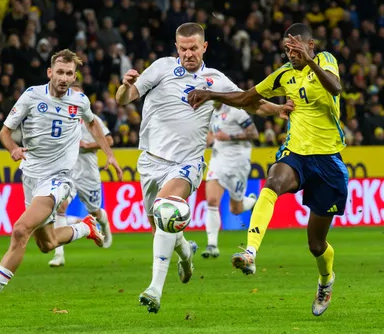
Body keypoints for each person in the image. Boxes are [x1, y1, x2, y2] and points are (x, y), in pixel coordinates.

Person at [115, 22, 292, 313]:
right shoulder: (160, 68)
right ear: (176, 48)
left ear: (204, 47)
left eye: (193, 48)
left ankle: (155, 289)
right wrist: (125, 85)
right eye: (183, 49)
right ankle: (185, 252)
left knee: (167, 208)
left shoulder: (215, 80)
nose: (188, 54)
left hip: (187, 163)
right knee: (160, 224)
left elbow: (249, 103)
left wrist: (278, 110)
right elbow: (126, 99)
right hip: (150, 161)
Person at [188, 23, 347, 316]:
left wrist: (310, 60)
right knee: (273, 182)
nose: (292, 53)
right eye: (288, 49)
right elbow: (247, 98)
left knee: (316, 244)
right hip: (297, 153)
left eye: (297, 48)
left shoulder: (325, 61)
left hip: (328, 160)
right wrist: (212, 96)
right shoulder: (284, 74)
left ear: (311, 45)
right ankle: (250, 252)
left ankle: (326, 280)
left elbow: (336, 88)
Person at [0, 49, 123, 313]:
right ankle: (85, 227)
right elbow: (5, 132)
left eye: (69, 73)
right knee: (46, 244)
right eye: (59, 72)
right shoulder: (31, 96)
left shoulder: (80, 101)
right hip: (31, 175)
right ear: (50, 72)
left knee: (20, 230)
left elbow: (93, 123)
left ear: (74, 76)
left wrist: (110, 155)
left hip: (59, 178)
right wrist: (12, 149)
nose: (64, 78)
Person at [48, 82, 114, 267]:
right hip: (66, 171)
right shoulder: (60, 118)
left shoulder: (91, 119)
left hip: (87, 173)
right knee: (60, 207)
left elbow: (109, 139)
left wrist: (87, 145)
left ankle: (104, 221)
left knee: (94, 210)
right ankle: (59, 253)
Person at [202, 101, 258, 259]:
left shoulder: (236, 112)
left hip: (238, 163)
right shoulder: (209, 112)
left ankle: (251, 203)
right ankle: (212, 245)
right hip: (218, 160)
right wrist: (209, 139)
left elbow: (254, 133)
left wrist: (230, 137)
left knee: (236, 209)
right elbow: (207, 132)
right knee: (212, 201)